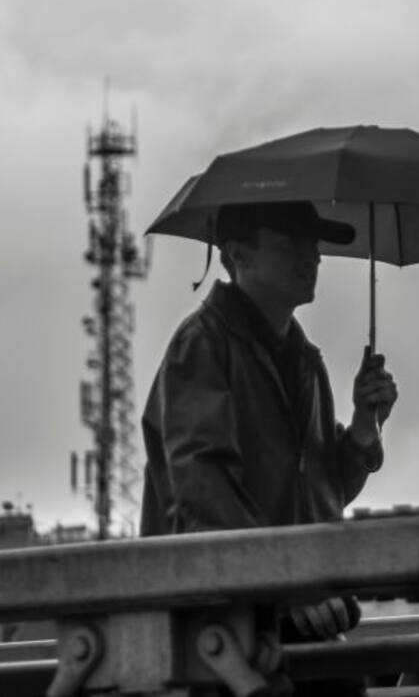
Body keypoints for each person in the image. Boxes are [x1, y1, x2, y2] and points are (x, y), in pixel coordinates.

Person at [139, 200, 398, 673]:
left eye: (313, 244)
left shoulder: (305, 361)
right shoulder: (201, 347)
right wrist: (288, 586)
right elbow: (203, 491)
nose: (311, 256)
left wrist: (365, 423)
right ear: (237, 256)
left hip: (293, 620)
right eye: (288, 243)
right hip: (221, 634)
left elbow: (322, 493)